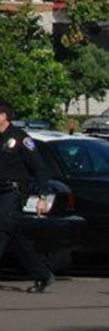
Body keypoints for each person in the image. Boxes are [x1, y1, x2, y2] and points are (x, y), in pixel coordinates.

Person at [0, 103, 53, 292]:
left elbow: (39, 168)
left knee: (2, 227)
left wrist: (43, 195)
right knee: (15, 236)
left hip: (12, 192)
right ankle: (42, 273)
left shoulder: (20, 138)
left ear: (3, 116)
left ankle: (42, 273)